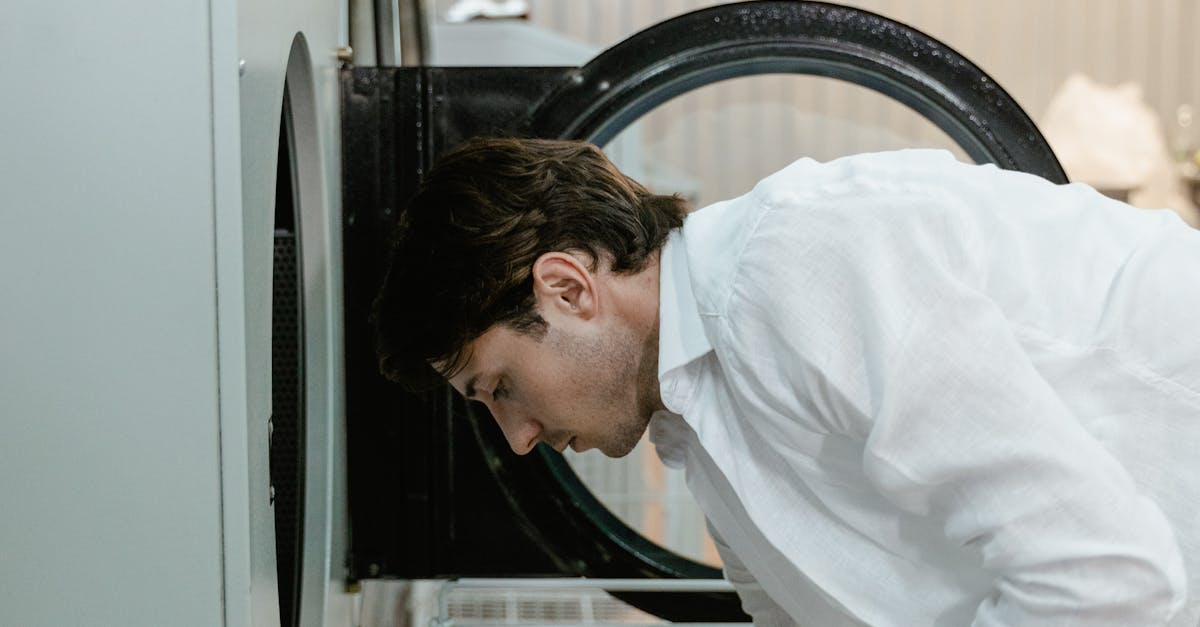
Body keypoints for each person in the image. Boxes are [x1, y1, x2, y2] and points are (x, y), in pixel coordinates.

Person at [371, 136, 1200, 626]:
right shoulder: (698, 416)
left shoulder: (801, 265)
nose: (517, 440)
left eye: (499, 388)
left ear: (568, 288)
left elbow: (1105, 577)